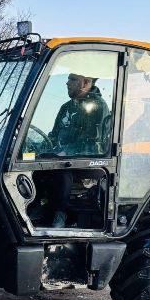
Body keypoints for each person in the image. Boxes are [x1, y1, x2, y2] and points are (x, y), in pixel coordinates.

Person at [47, 73, 110, 227]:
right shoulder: (66, 107)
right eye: (68, 79)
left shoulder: (98, 107)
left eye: (73, 79)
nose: (67, 83)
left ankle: (59, 215)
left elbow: (91, 142)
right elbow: (54, 134)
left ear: (86, 82)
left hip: (89, 160)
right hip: (64, 157)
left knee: (62, 172)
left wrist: (65, 152)